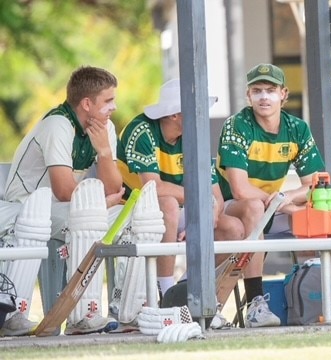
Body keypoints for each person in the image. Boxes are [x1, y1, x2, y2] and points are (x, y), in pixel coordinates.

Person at [216, 63, 331, 327]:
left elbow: (316, 183)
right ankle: (256, 304)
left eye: (270, 90)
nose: (264, 97)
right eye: (257, 91)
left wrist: (288, 197)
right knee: (255, 206)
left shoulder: (296, 128)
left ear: (284, 94)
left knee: (329, 210)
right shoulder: (237, 125)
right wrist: (287, 204)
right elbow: (240, 189)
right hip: (234, 208)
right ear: (248, 96)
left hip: (272, 206)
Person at [0, 66, 126, 336]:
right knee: (86, 219)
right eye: (108, 101)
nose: (114, 107)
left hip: (68, 209)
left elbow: (116, 188)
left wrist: (104, 151)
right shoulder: (58, 124)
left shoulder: (104, 129)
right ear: (87, 103)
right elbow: (64, 190)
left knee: (132, 220)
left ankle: (128, 311)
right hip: (26, 207)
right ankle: (81, 316)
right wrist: (100, 204)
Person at [115, 78, 255, 315]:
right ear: (175, 115)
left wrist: (206, 215)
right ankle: (165, 293)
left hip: (176, 208)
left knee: (233, 228)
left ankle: (194, 292)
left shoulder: (194, 135)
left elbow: (215, 197)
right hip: (129, 209)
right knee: (167, 204)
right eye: (196, 109)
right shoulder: (141, 130)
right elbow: (153, 188)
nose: (202, 115)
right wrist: (199, 200)